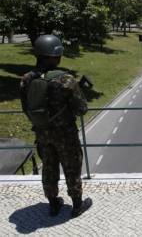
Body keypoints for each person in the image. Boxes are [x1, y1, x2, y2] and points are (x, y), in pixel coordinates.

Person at [20, 34, 92, 218]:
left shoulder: (26, 80)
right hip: (65, 134)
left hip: (42, 133)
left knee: (49, 168)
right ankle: (77, 205)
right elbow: (82, 109)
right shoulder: (65, 80)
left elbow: (26, 108)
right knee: (72, 167)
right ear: (53, 56)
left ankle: (53, 204)